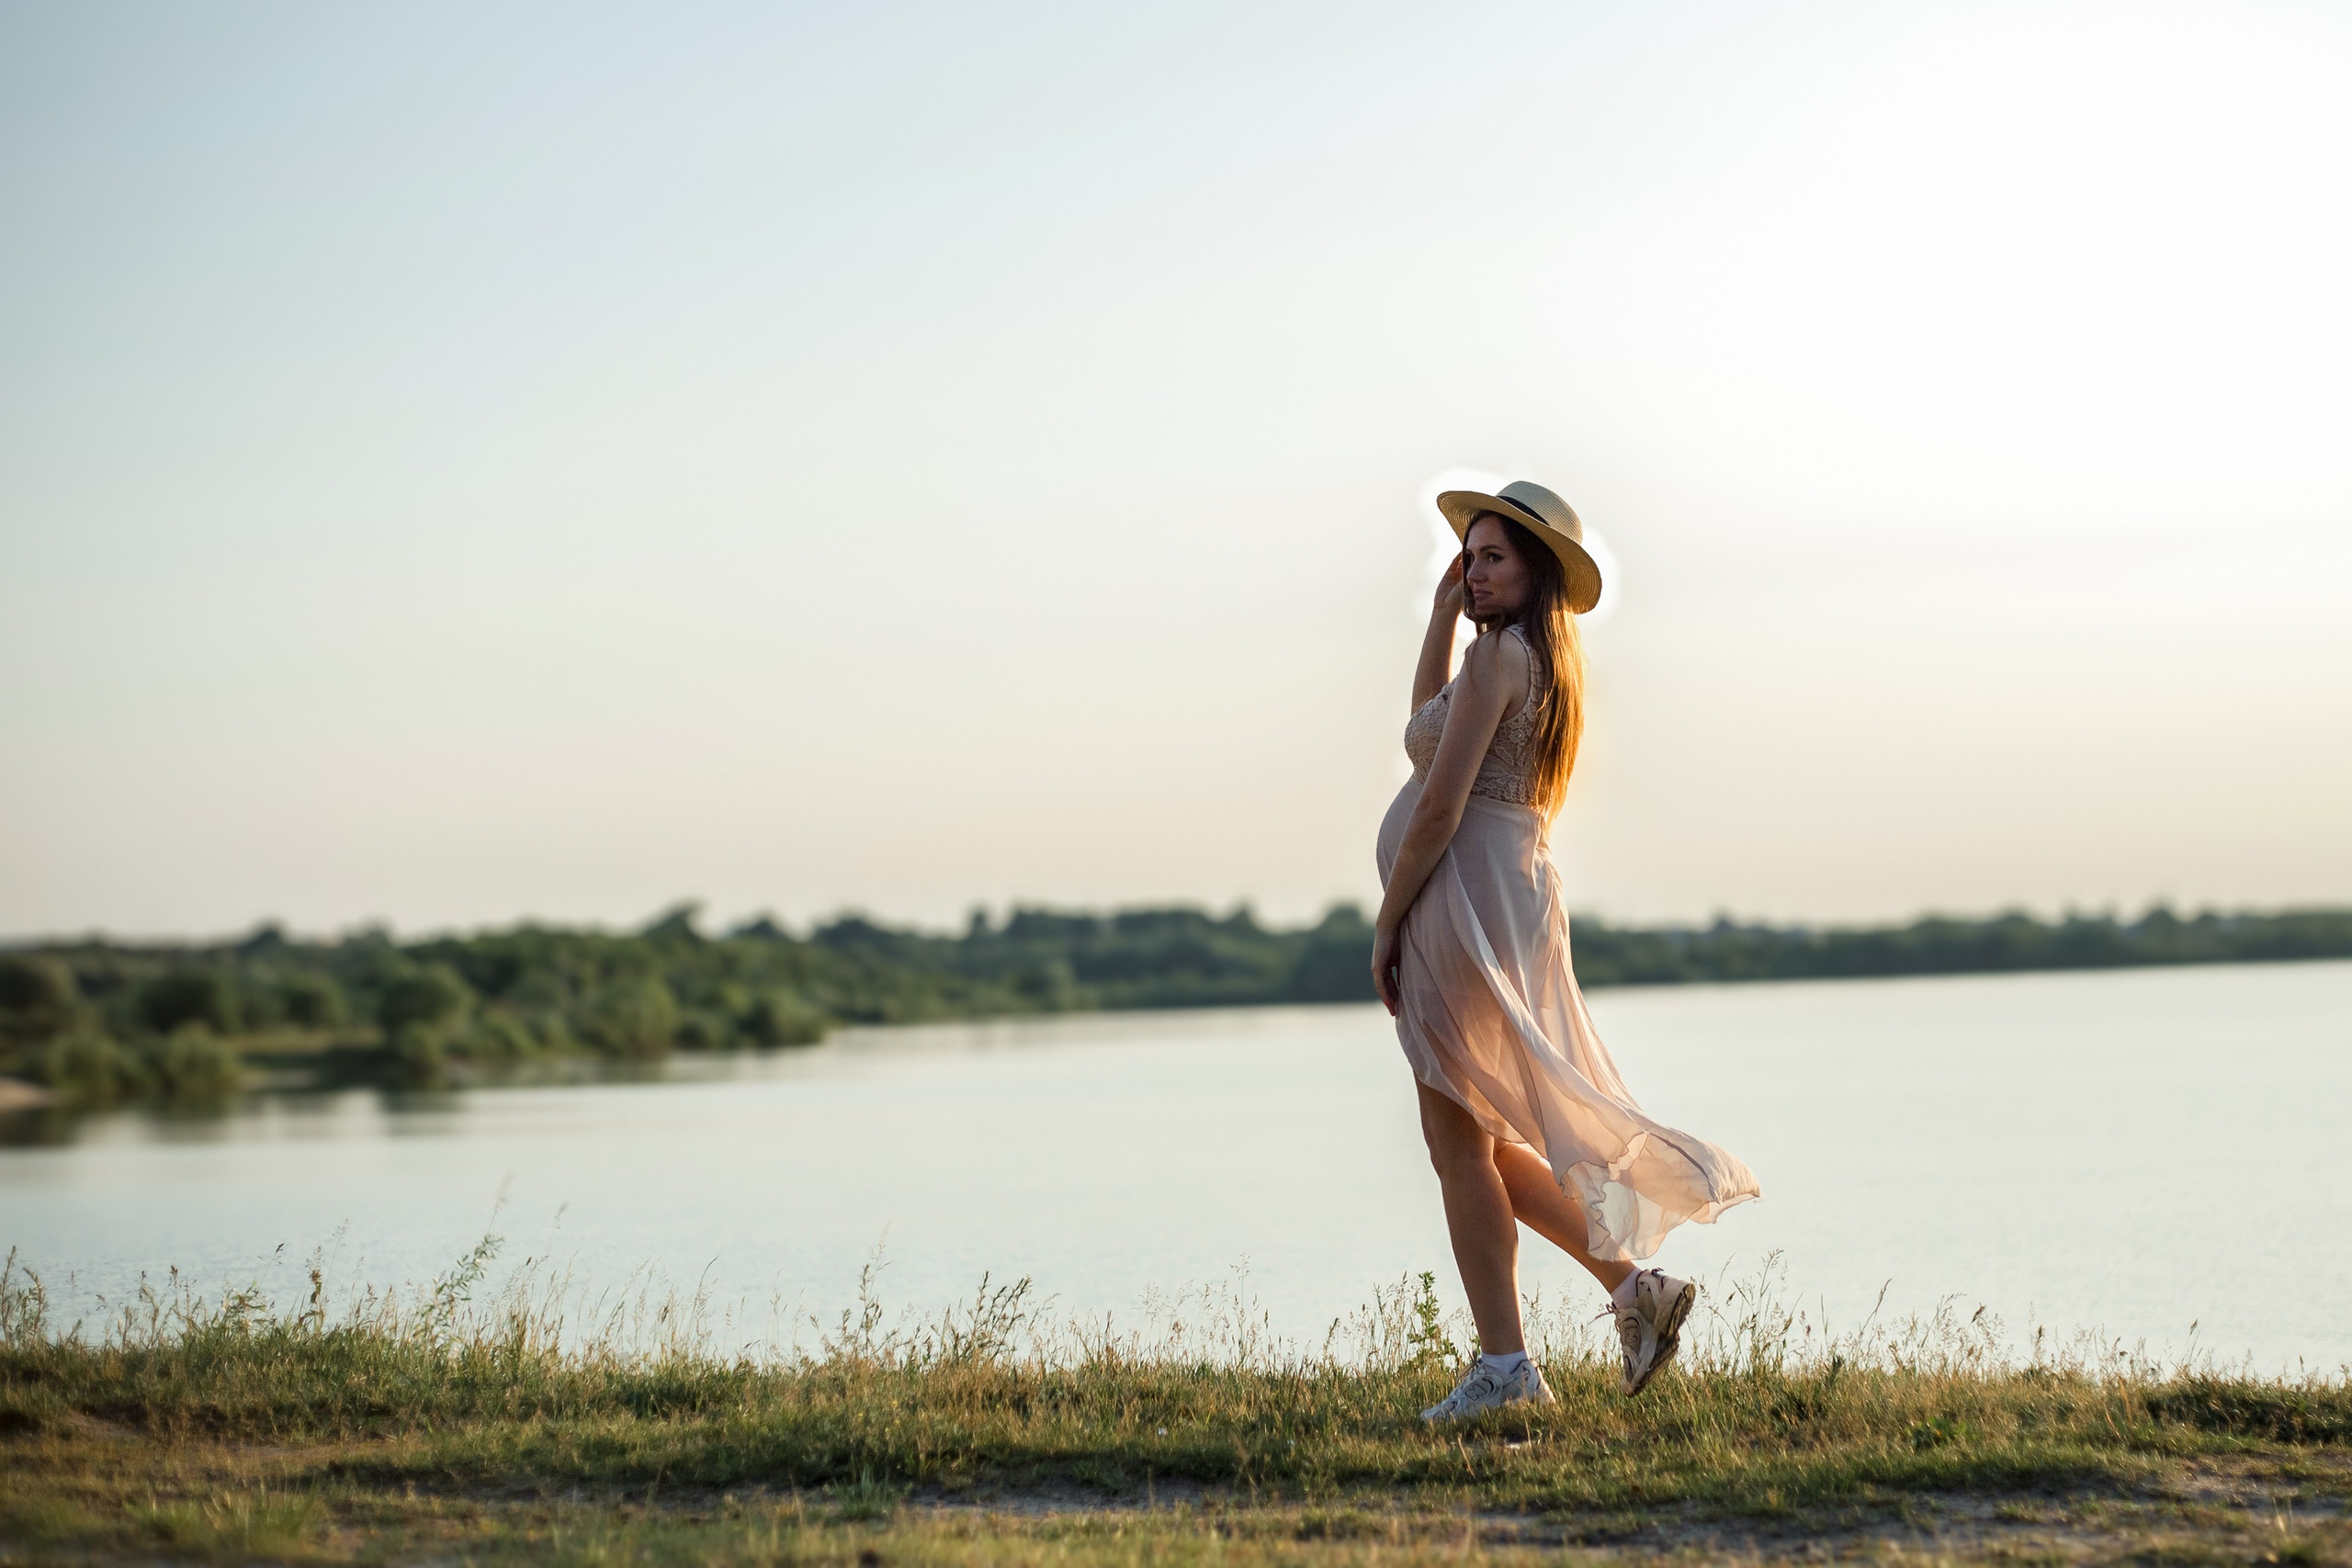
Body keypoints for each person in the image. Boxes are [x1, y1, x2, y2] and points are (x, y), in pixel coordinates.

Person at [1373, 479, 1760, 1422]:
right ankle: (1634, 1292)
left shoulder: (1501, 657)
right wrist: (1439, 618)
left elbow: (1439, 804)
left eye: (1494, 558)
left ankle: (1506, 1368)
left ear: (1537, 571)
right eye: (1469, 557)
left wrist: (1388, 922)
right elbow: (1426, 740)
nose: (1474, 572)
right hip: (1503, 897)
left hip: (1463, 901)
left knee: (1458, 1144)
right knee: (1475, 1143)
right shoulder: (1528, 660)